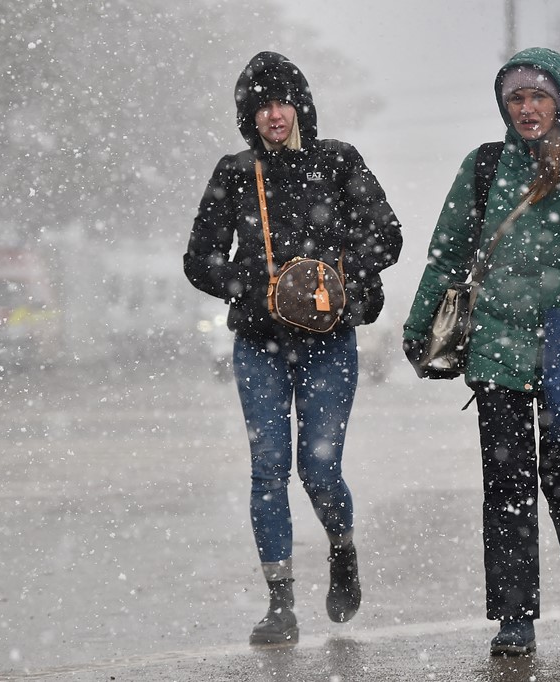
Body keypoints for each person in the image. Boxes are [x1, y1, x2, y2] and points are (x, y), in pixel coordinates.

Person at [402, 47, 560, 656]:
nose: (528, 108)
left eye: (538, 95)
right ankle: (515, 616)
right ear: (504, 107)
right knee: (506, 487)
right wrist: (420, 319)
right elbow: (447, 252)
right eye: (516, 98)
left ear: (559, 99)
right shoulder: (483, 168)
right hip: (497, 351)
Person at [183, 51, 402, 646]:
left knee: (320, 469)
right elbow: (198, 258)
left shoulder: (338, 162)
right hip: (259, 346)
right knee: (268, 471)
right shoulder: (234, 173)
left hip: (328, 345)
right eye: (259, 107)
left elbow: (388, 235)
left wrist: (331, 274)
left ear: (300, 105)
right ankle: (280, 603)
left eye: (280, 102)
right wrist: (251, 287)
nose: (272, 115)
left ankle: (342, 548)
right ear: (247, 118)